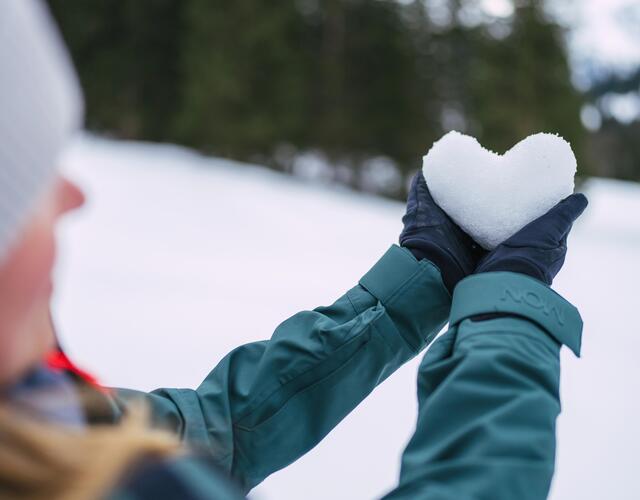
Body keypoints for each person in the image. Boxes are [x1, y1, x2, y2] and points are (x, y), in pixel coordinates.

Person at [0, 1, 588, 499]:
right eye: (29, 183)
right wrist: (509, 314)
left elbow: (218, 430)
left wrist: (422, 277)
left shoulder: (41, 428)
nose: (73, 197)